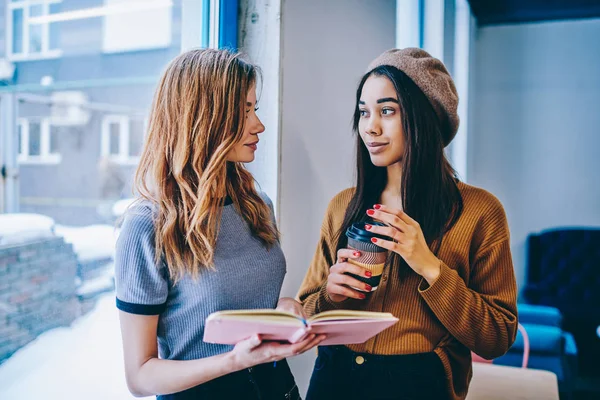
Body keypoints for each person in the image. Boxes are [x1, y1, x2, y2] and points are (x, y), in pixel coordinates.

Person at [297, 48, 518, 400]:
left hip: (418, 384)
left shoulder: (480, 211)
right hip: (334, 379)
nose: (370, 126)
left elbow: (497, 338)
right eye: (364, 112)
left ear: (424, 117)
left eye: (387, 111)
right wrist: (330, 295)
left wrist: (430, 267)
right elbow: (304, 314)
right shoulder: (343, 205)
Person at [115, 48, 324, 400]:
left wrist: (283, 310)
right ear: (204, 118)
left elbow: (240, 307)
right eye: (244, 112)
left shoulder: (256, 205)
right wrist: (233, 361)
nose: (258, 124)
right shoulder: (146, 227)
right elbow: (140, 376)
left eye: (254, 109)